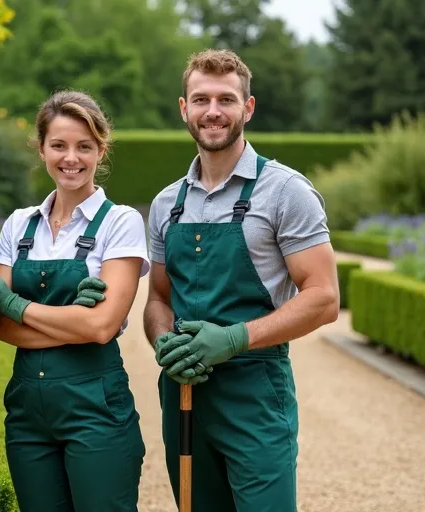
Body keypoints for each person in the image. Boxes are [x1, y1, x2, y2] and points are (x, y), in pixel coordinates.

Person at [143, 49, 340, 511]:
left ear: (247, 108)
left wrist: (234, 338)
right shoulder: (166, 203)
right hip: (184, 391)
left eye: (226, 100)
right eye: (201, 99)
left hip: (256, 391)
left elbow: (324, 297)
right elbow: (156, 298)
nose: (213, 111)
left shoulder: (286, 190)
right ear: (184, 109)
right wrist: (162, 341)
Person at [0, 89, 148, 511]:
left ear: (101, 150)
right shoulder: (20, 225)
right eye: (58, 145)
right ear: (41, 149)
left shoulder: (121, 222)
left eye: (84, 146)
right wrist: (70, 320)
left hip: (96, 410)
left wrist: (18, 305)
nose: (70, 158)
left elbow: (101, 327)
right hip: (27, 416)